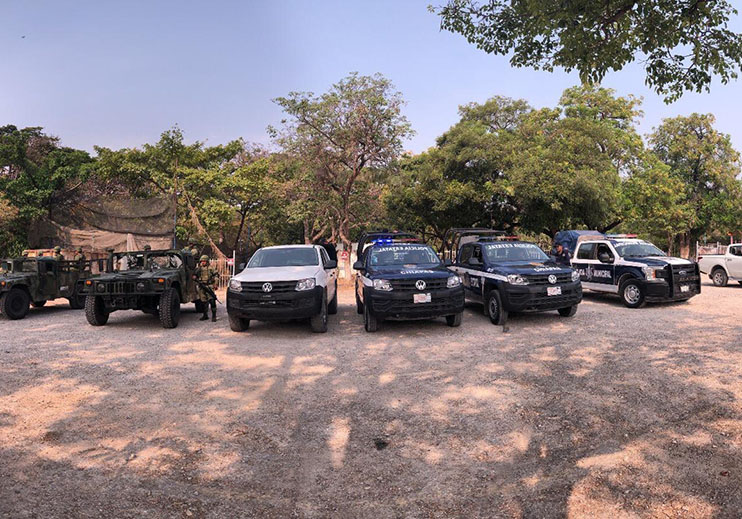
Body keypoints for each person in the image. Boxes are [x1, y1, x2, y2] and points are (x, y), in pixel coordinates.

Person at [193, 255, 218, 322]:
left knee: (212, 300)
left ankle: (214, 316)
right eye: (202, 261)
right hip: (202, 286)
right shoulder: (199, 269)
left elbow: (216, 276)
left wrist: (215, 284)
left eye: (204, 261)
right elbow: (194, 275)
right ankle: (205, 315)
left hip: (209, 286)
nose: (203, 262)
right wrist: (195, 277)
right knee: (203, 302)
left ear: (207, 261)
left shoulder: (211, 268)